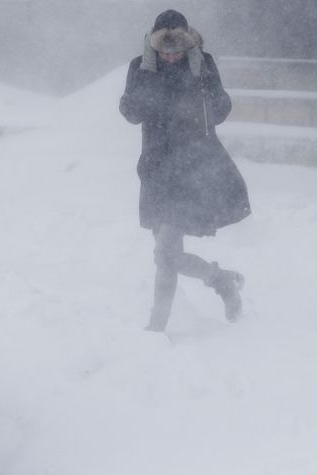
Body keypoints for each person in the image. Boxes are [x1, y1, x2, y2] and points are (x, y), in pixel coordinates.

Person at [119, 9, 251, 332]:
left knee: (165, 252)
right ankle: (223, 280)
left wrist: (207, 98)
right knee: (167, 255)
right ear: (155, 46)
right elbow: (129, 111)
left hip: (192, 171)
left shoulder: (202, 65)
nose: (172, 54)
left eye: (178, 48)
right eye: (165, 49)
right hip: (155, 171)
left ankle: (156, 326)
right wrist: (145, 89)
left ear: (188, 43)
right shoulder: (140, 67)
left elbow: (222, 109)